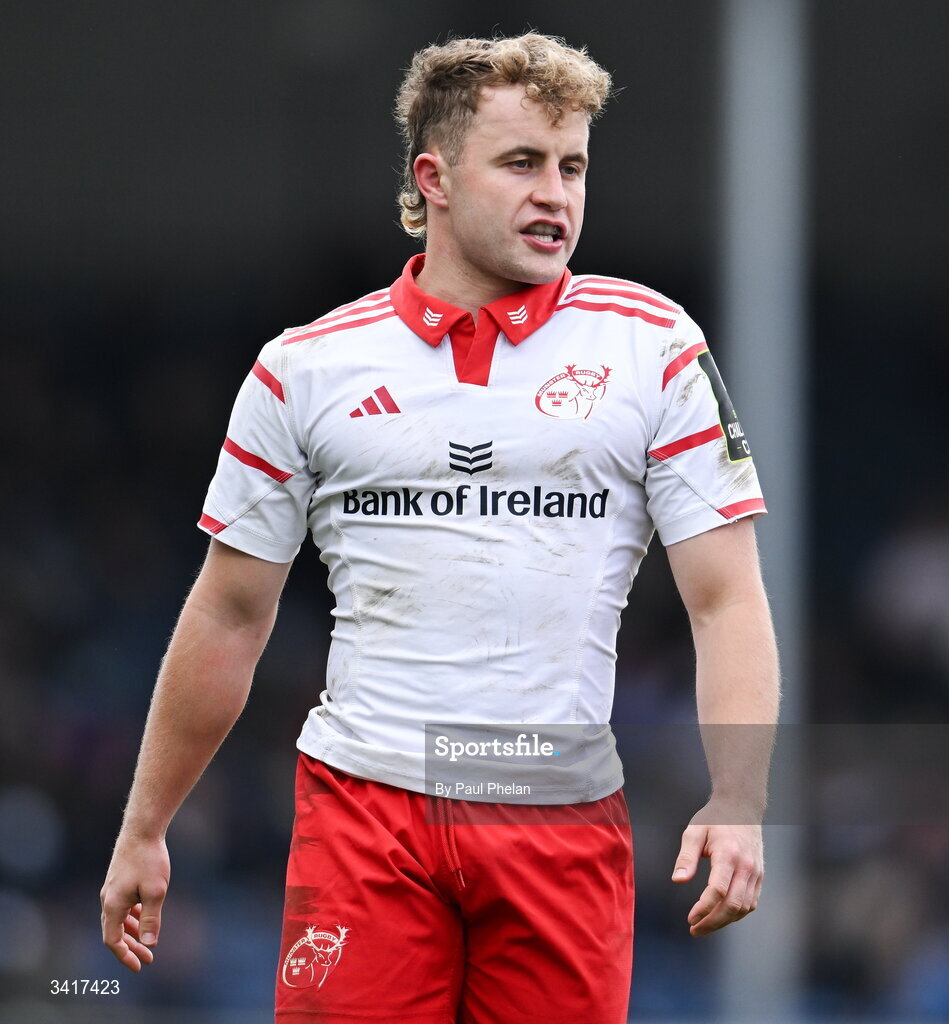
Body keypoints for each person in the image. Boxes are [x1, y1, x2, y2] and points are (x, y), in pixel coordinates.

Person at [101, 32, 779, 1024]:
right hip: (365, 814)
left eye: (573, 166)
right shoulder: (304, 369)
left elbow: (725, 599)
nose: (556, 194)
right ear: (435, 178)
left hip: (561, 816)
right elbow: (231, 613)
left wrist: (739, 797)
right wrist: (144, 825)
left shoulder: (655, 347)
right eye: (522, 163)